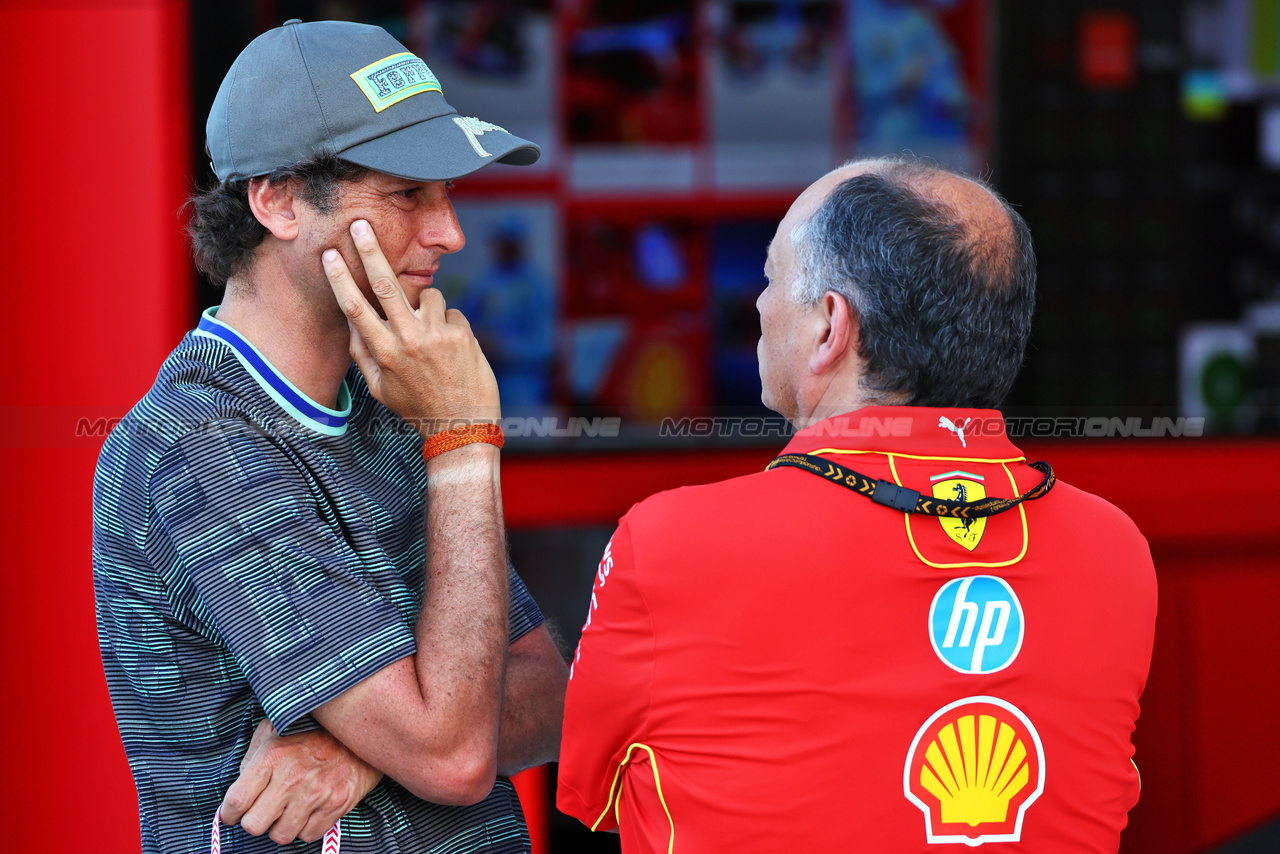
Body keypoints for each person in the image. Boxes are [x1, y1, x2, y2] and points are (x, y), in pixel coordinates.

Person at [556, 156, 1157, 852]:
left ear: (829, 326)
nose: (757, 304)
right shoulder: (1114, 551)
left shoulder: (672, 541)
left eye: (772, 277)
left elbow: (593, 794)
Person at [92, 19, 567, 854]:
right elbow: (457, 756)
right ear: (275, 200)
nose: (449, 233)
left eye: (447, 192)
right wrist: (464, 443)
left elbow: (548, 692)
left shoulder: (392, 400)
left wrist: (362, 753)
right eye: (406, 193)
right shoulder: (199, 447)